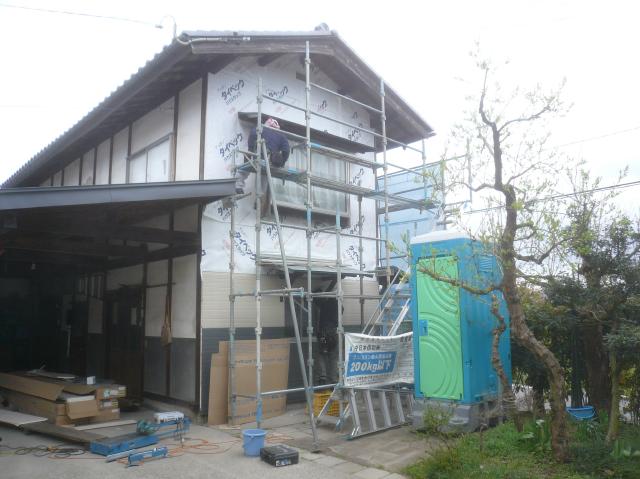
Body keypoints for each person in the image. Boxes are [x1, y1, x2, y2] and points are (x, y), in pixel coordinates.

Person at [235, 117, 290, 194]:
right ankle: (260, 195)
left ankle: (238, 186)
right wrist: (282, 161)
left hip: (255, 154)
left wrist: (251, 151)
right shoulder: (281, 136)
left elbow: (252, 137)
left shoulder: (259, 129)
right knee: (264, 174)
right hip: (269, 159)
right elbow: (286, 150)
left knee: (245, 169)